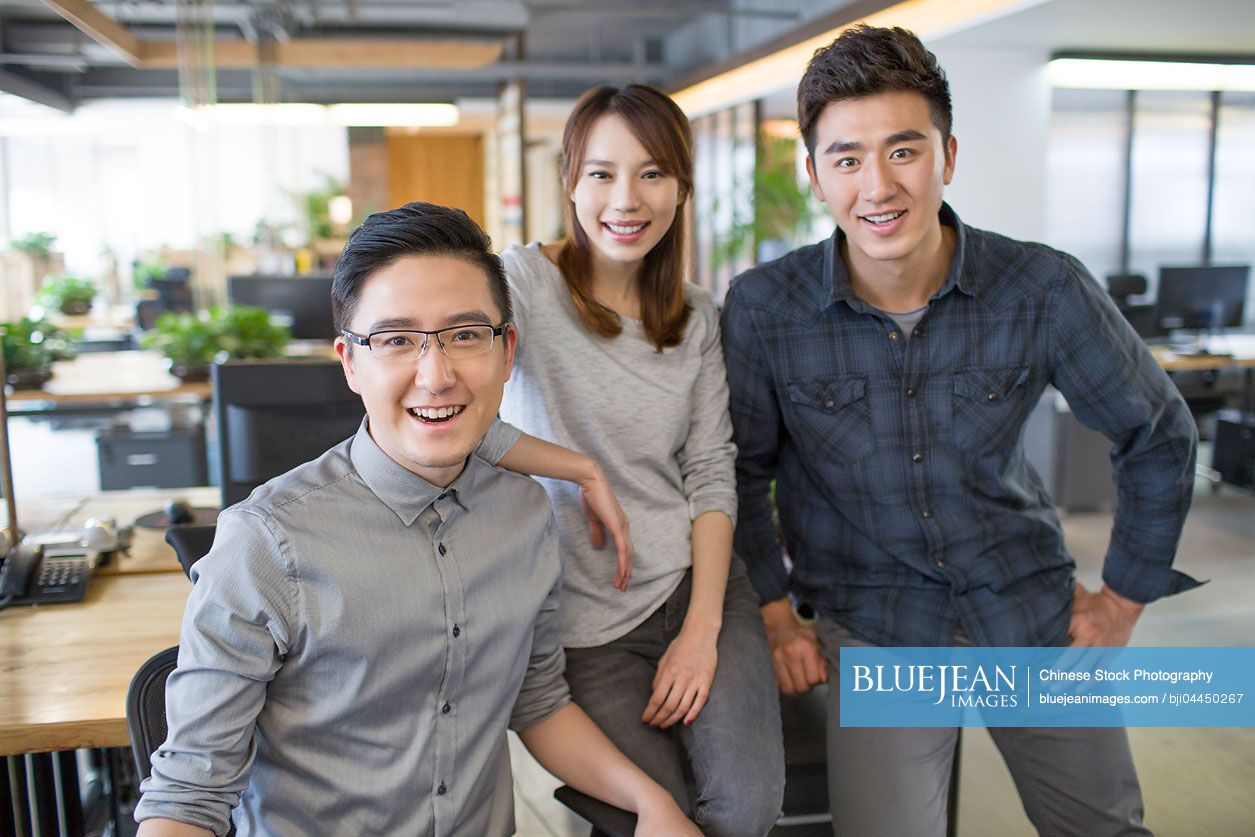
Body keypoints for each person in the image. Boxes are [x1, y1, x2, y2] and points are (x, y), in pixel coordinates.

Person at [720, 25, 1199, 837]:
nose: (877, 185)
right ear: (814, 175)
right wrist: (772, 610)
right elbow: (738, 469)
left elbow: (1156, 431)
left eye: (903, 151)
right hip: (877, 624)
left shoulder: (1042, 287)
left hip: (1028, 610)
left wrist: (1122, 594)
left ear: (947, 155)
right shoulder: (766, 308)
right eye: (846, 159)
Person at [134, 202, 699, 837]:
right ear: (350, 363)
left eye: (465, 335)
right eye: (396, 340)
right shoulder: (266, 542)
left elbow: (538, 703)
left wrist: (654, 804)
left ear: (506, 351)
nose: (436, 375)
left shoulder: (525, 512)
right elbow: (187, 796)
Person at [474, 84, 785, 835]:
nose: (627, 198)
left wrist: (700, 629)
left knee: (744, 810)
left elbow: (712, 470)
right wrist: (578, 468)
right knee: (661, 814)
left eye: (651, 173)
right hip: (579, 617)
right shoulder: (517, 285)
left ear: (680, 186)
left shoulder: (698, 317)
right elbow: (450, 422)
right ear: (570, 182)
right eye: (602, 173)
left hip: (693, 582)